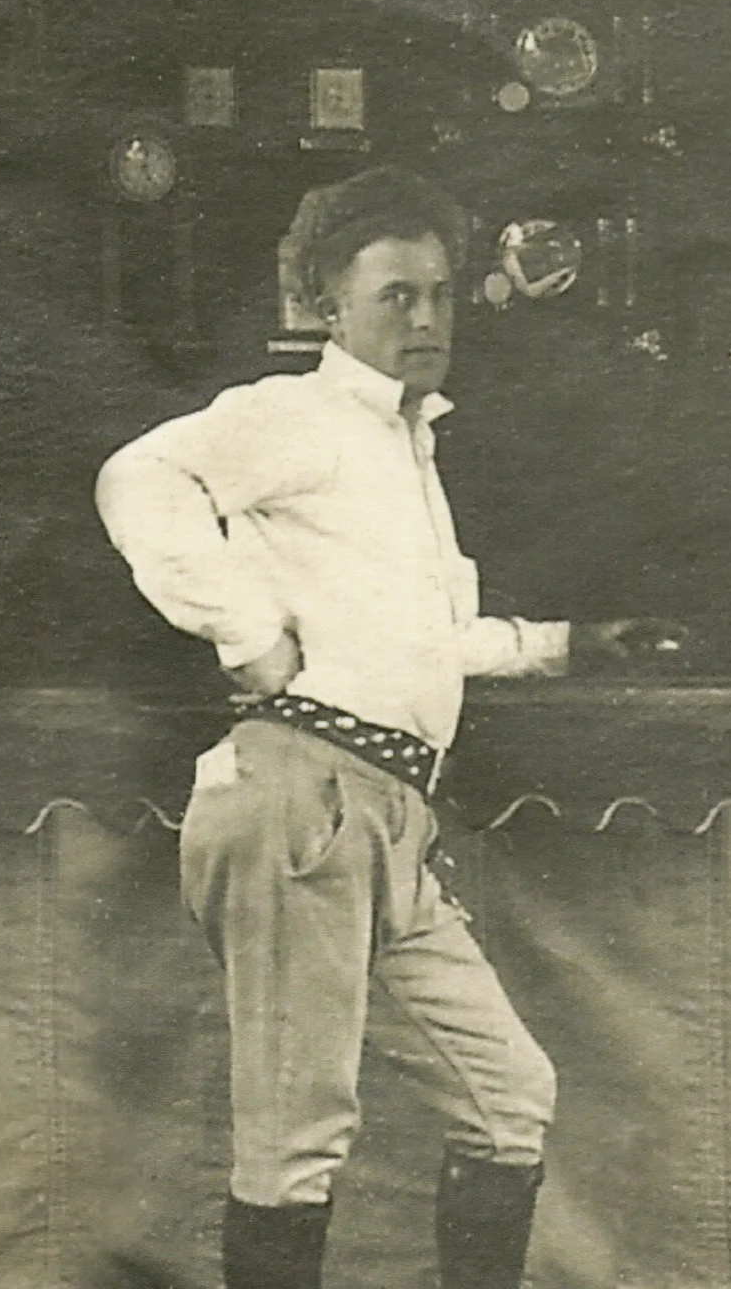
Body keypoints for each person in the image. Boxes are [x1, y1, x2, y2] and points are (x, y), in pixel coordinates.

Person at [95, 167, 652, 1289]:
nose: (425, 319)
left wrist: (567, 642)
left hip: (386, 814)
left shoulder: (404, 446)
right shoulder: (295, 414)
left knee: (510, 1094)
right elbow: (136, 475)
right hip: (302, 798)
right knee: (294, 1141)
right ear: (327, 306)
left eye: (439, 295)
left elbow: (424, 641)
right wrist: (246, 630)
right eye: (395, 296)